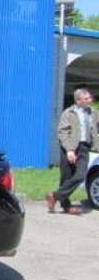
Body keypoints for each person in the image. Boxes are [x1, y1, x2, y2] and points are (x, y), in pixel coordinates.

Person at [47, 87, 99, 215]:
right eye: (86, 99)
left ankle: (54, 195)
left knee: (81, 175)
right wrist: (69, 150)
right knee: (66, 178)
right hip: (70, 148)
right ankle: (66, 207)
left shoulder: (94, 112)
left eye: (89, 98)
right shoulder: (68, 113)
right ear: (78, 100)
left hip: (84, 147)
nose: (90, 100)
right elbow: (62, 132)